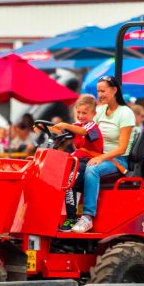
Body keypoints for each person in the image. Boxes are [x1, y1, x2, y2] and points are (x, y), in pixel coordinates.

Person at [70, 76, 135, 233]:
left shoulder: (125, 113)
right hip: (96, 155)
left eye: (103, 91)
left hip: (116, 159)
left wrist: (100, 158)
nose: (100, 94)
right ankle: (70, 215)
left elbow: (122, 148)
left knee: (92, 169)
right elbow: (81, 125)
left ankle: (87, 217)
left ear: (114, 90)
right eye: (98, 91)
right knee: (69, 168)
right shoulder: (99, 111)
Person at [49, 94, 105, 232]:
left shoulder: (91, 126)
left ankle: (72, 217)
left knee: (70, 183)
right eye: (78, 112)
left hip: (89, 161)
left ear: (93, 113)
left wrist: (66, 125)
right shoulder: (76, 125)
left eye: (84, 113)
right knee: (56, 178)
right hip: (77, 160)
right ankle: (51, 215)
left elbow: (83, 131)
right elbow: (64, 130)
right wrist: (46, 129)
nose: (80, 116)